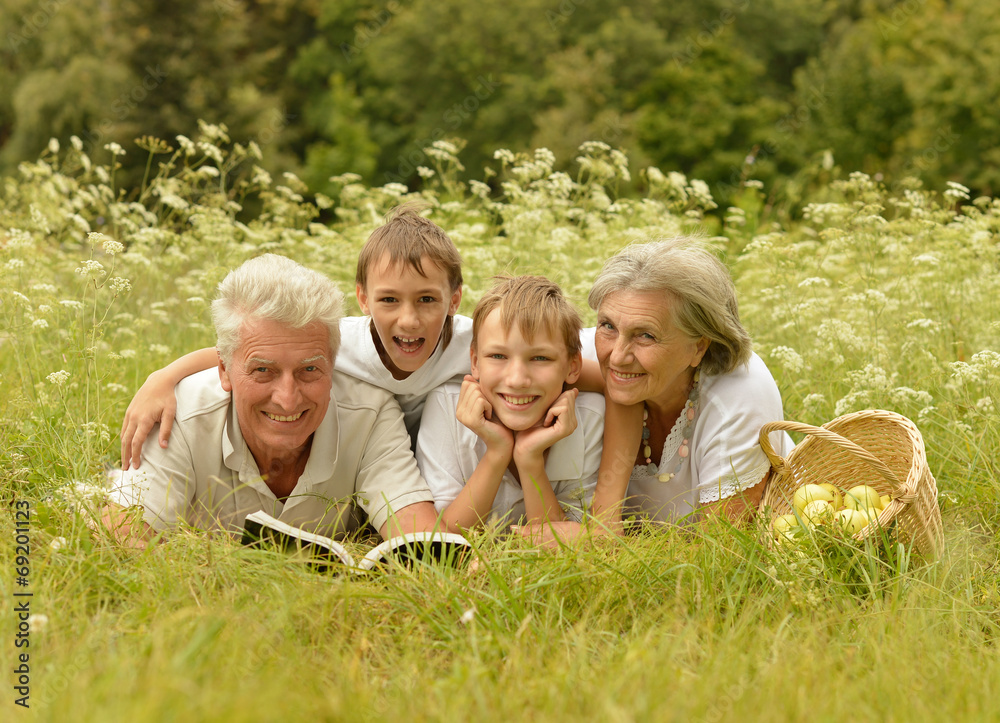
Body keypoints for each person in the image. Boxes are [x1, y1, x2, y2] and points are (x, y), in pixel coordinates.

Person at [101, 254, 440, 547]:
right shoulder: (180, 412)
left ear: (334, 364)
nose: (288, 399)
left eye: (310, 369)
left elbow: (416, 534)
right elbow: (122, 531)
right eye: (263, 370)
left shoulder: (371, 412)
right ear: (224, 369)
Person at [119, 204, 469, 469]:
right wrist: (161, 379)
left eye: (426, 299)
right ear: (363, 299)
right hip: (370, 460)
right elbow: (239, 355)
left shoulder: (474, 344)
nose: (408, 320)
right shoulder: (345, 341)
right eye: (389, 300)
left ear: (454, 300)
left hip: (435, 465)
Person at [581, 237, 795, 531]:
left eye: (646, 335)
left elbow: (719, 553)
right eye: (607, 325)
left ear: (698, 347)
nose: (616, 356)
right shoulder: (578, 355)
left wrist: (595, 538)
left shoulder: (740, 394)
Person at [416, 276, 604, 532]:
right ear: (474, 361)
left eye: (540, 358)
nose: (517, 380)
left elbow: (564, 544)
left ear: (573, 367)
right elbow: (446, 538)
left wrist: (530, 460)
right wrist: (496, 453)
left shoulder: (590, 417)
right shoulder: (446, 406)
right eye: (498, 356)